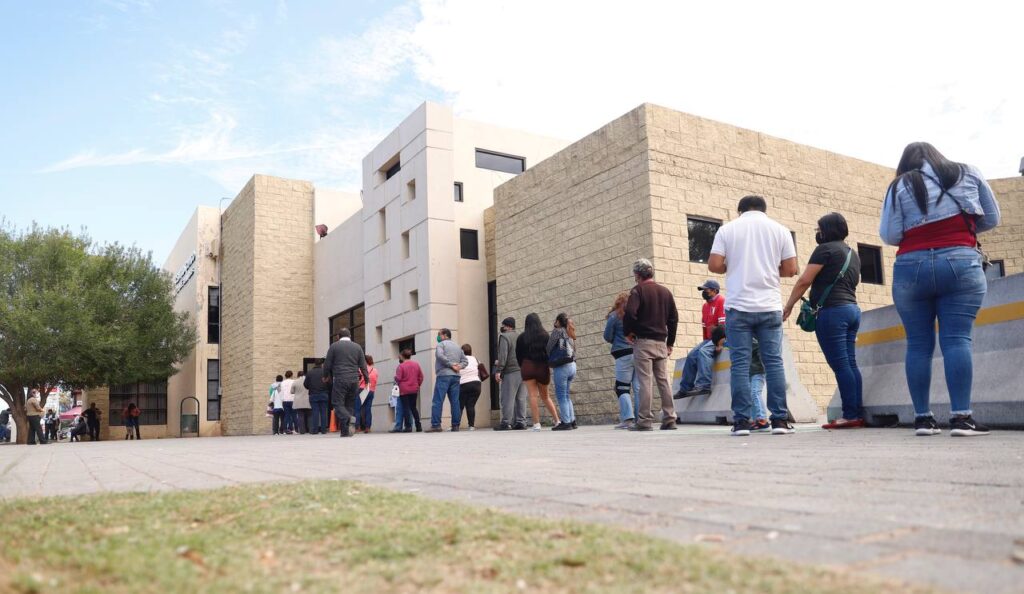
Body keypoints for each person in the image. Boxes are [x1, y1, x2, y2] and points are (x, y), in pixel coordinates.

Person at [879, 142, 1000, 437]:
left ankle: (923, 419)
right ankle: (961, 418)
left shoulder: (899, 185)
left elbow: (890, 234)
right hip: (961, 262)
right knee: (957, 340)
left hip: (911, 267)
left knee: (918, 344)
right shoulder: (969, 172)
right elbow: (992, 217)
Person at [708, 195, 799, 436]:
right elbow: (791, 270)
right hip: (769, 307)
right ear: (764, 210)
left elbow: (714, 265)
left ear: (739, 211)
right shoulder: (780, 230)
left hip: (738, 308)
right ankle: (779, 420)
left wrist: (734, 266)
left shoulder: (727, 230)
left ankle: (741, 422)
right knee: (773, 362)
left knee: (740, 364)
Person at [783, 212, 864, 430]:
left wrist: (789, 305)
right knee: (850, 363)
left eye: (819, 229)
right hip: (852, 310)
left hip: (833, 313)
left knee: (840, 365)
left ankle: (850, 415)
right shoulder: (852, 253)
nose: (817, 233)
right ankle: (856, 412)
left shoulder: (825, 250)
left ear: (827, 230)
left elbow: (804, 280)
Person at [623, 258, 679, 431]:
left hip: (644, 342)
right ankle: (670, 418)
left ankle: (645, 420)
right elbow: (673, 318)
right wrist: (670, 343)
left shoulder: (637, 291)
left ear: (637, 274)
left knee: (645, 381)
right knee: (663, 381)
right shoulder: (665, 292)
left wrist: (628, 332)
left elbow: (630, 314)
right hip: (661, 342)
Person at [675, 280, 727, 398]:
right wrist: (705, 341)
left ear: (714, 291)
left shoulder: (722, 301)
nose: (704, 292)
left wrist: (719, 344)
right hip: (708, 339)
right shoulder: (705, 306)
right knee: (692, 355)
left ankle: (704, 385)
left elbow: (722, 327)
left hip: (721, 337)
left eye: (706, 290)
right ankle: (685, 388)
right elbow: (705, 328)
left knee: (703, 352)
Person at [516, 313, 561, 431]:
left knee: (532, 395)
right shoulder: (545, 335)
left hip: (527, 367)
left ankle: (536, 424)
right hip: (542, 367)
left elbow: (518, 355)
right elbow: (549, 352)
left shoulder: (521, 337)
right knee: (546, 396)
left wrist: (523, 366)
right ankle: (557, 420)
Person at [323, 328, 369, 438]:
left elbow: (327, 363)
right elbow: (363, 365)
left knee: (337, 403)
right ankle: (345, 432)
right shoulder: (357, 347)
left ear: (338, 336)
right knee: (349, 405)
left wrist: (325, 376)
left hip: (340, 379)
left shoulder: (334, 346)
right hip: (354, 380)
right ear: (350, 336)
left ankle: (348, 418)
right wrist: (367, 379)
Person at [603, 293, 639, 429]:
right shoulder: (636, 315)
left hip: (622, 354)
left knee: (621, 387)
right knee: (638, 387)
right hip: (638, 352)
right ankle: (641, 418)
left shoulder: (614, 316)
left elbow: (607, 336)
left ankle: (628, 419)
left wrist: (616, 340)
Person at [428, 328, 468, 432]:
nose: (437, 336)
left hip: (443, 375)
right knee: (455, 401)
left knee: (437, 400)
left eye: (439, 334)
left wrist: (450, 365)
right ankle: (455, 425)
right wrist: (459, 366)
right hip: (455, 376)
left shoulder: (441, 345)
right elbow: (465, 361)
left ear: (444, 335)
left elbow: (439, 355)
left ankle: (436, 425)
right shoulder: (457, 346)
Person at [493, 317, 528, 431]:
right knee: (521, 398)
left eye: (503, 325)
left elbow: (503, 356)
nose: (501, 327)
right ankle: (521, 422)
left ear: (507, 326)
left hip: (511, 371)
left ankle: (506, 422)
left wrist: (499, 370)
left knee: (507, 397)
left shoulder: (504, 337)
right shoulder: (521, 337)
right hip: (523, 370)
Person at [547, 313, 578, 431]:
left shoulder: (557, 331)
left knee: (561, 395)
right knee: (566, 395)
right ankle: (572, 420)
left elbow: (549, 347)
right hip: (572, 365)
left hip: (562, 366)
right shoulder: (569, 332)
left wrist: (548, 356)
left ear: (558, 322)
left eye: (555, 320)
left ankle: (566, 422)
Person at [391, 348, 424, 433]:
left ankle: (408, 427)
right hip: (414, 389)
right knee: (413, 408)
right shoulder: (416, 364)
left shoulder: (401, 366)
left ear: (402, 356)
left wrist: (395, 379)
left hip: (404, 390)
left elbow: (398, 378)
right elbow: (421, 376)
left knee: (406, 408)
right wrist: (417, 385)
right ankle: (418, 426)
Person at [458, 345, 483, 430]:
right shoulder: (476, 359)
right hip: (476, 384)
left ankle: (456, 425)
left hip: (464, 384)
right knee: (471, 405)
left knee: (460, 406)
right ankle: (471, 426)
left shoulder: (460, 360)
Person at [304, 360, 331, 434]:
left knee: (315, 412)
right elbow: (330, 383)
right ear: (321, 364)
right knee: (323, 412)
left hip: (313, 394)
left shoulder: (309, 373)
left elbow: (305, 384)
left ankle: (315, 430)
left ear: (314, 364)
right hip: (324, 394)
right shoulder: (325, 372)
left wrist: (311, 387)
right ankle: (323, 430)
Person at [356, 355, 378, 433]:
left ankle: (357, 426)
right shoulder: (375, 370)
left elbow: (358, 380)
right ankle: (368, 427)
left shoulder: (361, 369)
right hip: (371, 390)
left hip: (363, 389)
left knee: (357, 408)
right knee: (368, 409)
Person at [280, 371, 297, 435]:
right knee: (294, 415)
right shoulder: (294, 382)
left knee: (286, 415)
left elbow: (281, 392)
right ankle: (294, 429)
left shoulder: (282, 383)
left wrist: (282, 400)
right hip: (292, 400)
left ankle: (284, 430)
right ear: (291, 375)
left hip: (285, 400)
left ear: (285, 376)